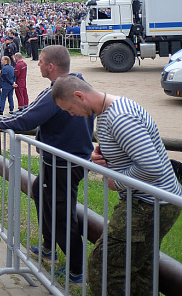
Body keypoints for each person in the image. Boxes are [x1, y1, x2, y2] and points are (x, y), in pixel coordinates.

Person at [51, 75, 182, 294]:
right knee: (140, 270)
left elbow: (152, 167)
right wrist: (102, 158)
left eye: (69, 108)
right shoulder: (107, 113)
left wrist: (115, 181)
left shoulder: (120, 118)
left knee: (104, 268)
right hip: (154, 202)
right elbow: (127, 153)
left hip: (150, 204)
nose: (71, 114)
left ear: (79, 96)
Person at [0, 46, 94, 283]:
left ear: (51, 66)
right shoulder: (78, 83)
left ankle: (77, 271)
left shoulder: (60, 89)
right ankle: (48, 248)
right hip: (66, 159)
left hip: (62, 162)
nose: (37, 65)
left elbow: (30, 117)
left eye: (41, 62)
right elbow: (34, 109)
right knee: (39, 193)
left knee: (61, 215)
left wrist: (0, 123)